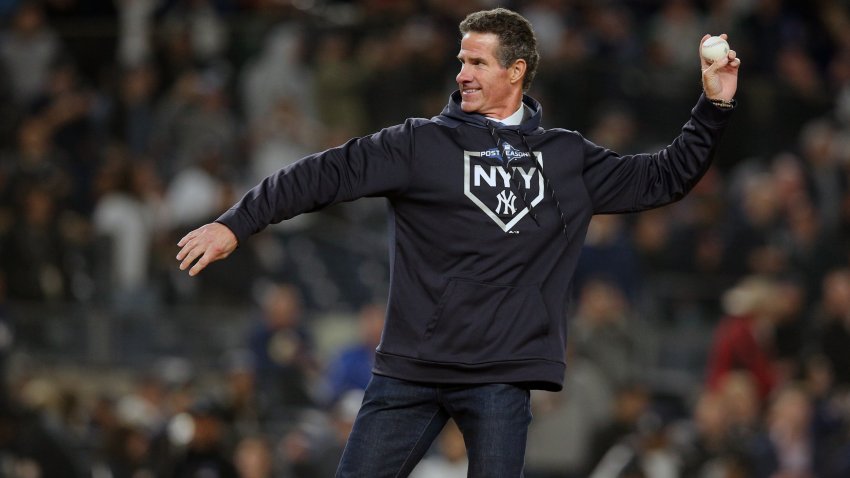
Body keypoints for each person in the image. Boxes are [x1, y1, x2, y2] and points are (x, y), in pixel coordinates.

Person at [176, 7, 741, 477]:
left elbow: (665, 177)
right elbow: (321, 174)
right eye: (461, 61)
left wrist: (713, 106)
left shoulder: (567, 158)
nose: (463, 73)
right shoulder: (419, 143)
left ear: (516, 70)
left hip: (501, 373)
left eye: (477, 62)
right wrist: (235, 223)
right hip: (412, 370)